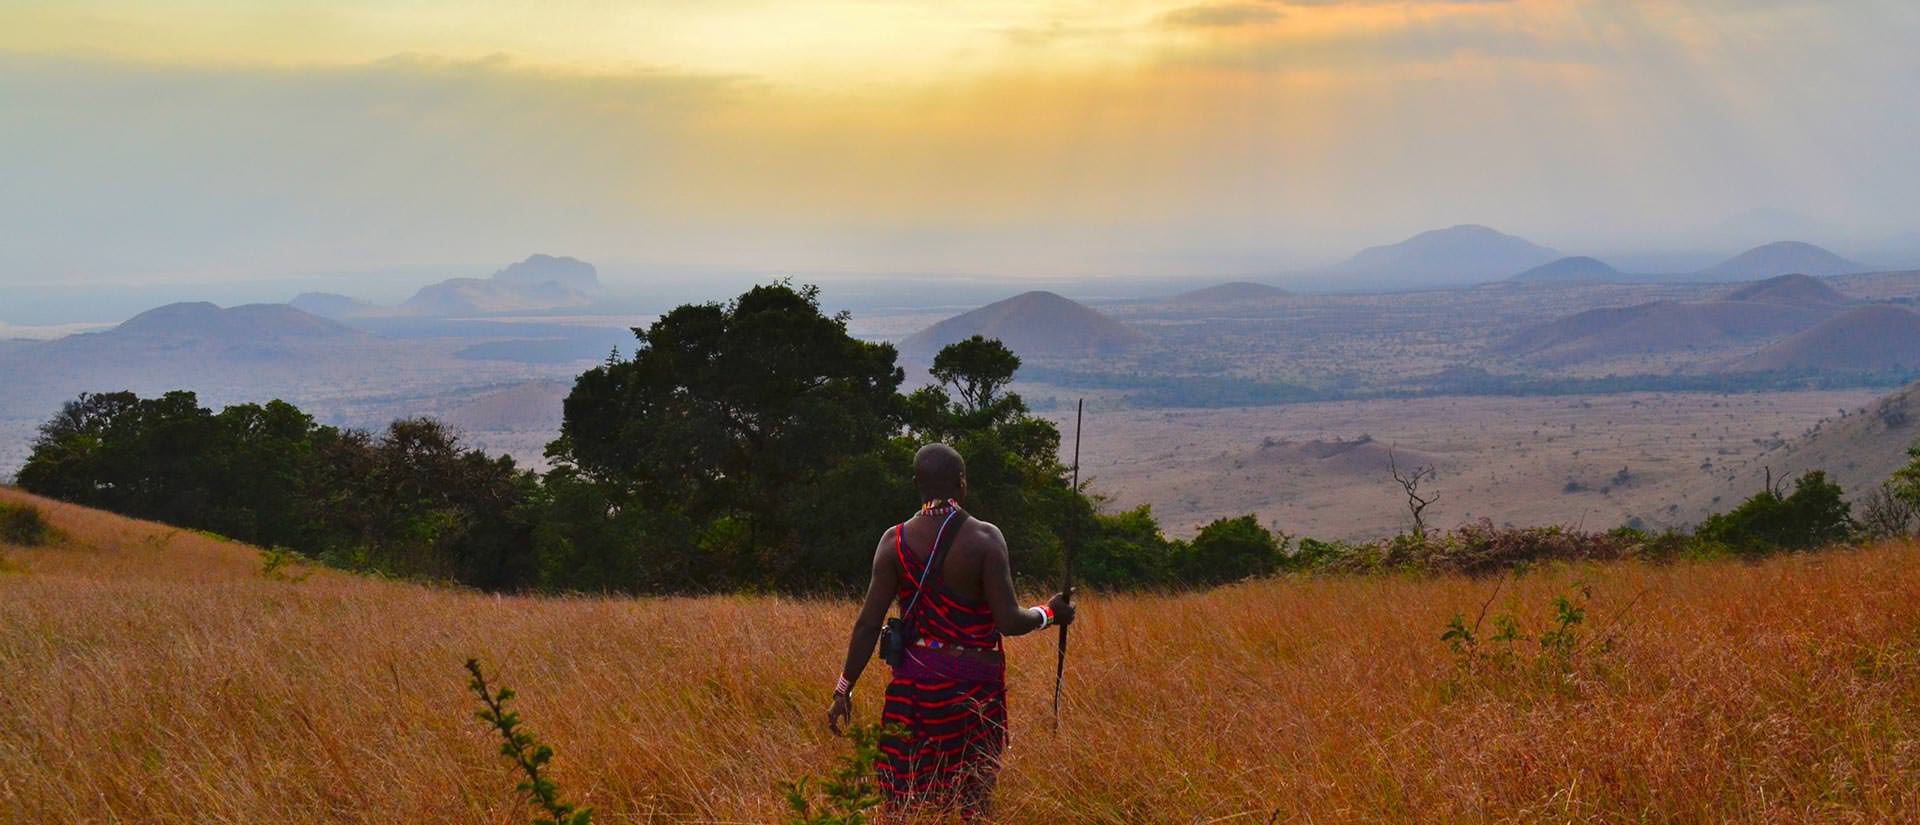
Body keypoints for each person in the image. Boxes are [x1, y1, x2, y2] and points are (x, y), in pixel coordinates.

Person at [827, 442, 1075, 819]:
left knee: (903, 801)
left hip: (912, 693)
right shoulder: (985, 539)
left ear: (916, 483)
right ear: (961, 483)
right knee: (972, 801)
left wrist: (844, 689)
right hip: (974, 697)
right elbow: (1008, 621)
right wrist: (1049, 613)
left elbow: (867, 625)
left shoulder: (892, 542)